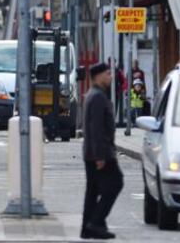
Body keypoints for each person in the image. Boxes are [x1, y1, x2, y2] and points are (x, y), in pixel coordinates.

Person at [81, 62, 123, 240]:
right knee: (115, 184)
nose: (110, 77)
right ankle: (96, 222)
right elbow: (96, 128)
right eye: (107, 74)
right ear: (98, 77)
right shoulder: (97, 97)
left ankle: (87, 228)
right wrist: (100, 156)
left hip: (92, 152)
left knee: (93, 191)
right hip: (101, 152)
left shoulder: (94, 95)